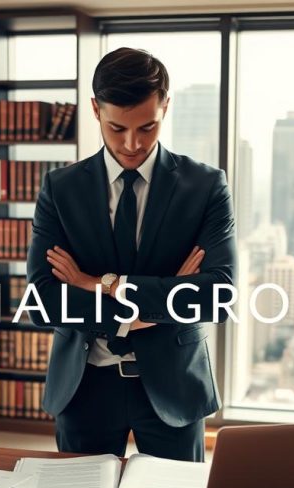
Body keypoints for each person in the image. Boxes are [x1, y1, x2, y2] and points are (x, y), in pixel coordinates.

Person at [25, 47, 237, 462]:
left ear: (165, 107)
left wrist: (97, 284)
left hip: (174, 388)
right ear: (95, 110)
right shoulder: (60, 188)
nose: (132, 143)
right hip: (83, 387)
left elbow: (218, 295)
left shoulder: (206, 186)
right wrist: (161, 298)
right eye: (117, 127)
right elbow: (42, 301)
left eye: (148, 127)